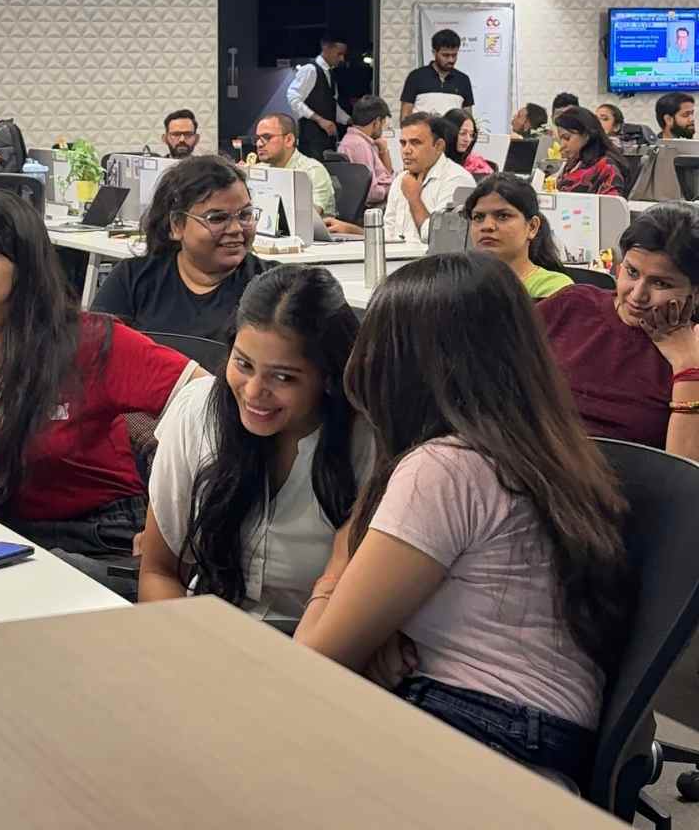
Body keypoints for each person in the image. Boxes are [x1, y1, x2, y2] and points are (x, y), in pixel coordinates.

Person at [294, 252, 630, 790]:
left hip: (480, 748)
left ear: (402, 365)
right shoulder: (547, 453)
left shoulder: (444, 469)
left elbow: (309, 663)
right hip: (530, 743)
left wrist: (338, 566)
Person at [0, 189, 201, 593]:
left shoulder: (91, 341)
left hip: (99, 537)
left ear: (24, 266)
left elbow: (206, 402)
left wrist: (167, 526)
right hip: (7, 534)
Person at [139, 265, 372, 629]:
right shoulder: (198, 411)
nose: (253, 392)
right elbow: (157, 571)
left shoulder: (368, 442)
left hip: (318, 644)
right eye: (243, 364)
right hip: (202, 630)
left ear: (328, 377)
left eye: (283, 377)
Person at [539, 202, 699, 460]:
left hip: (631, 491)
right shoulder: (573, 305)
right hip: (532, 466)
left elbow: (684, 479)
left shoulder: (694, 354)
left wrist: (688, 366)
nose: (638, 295)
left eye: (661, 283)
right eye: (632, 272)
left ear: (695, 292)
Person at [93, 157, 270, 341]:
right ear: (177, 225)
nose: (236, 229)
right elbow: (96, 353)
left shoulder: (274, 288)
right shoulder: (131, 280)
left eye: (245, 215)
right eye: (217, 218)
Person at [464, 173, 573, 299]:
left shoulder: (555, 290)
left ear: (532, 227)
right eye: (478, 217)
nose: (487, 226)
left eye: (503, 216)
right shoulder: (461, 285)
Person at [383, 113, 474, 243]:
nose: (406, 150)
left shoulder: (458, 180)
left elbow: (442, 239)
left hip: (436, 262)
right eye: (403, 143)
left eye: (415, 143)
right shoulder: (401, 179)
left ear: (438, 146)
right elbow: (388, 230)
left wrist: (414, 198)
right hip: (396, 259)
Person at [252, 113, 335, 216]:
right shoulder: (258, 170)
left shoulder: (312, 171)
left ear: (289, 140)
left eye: (267, 137)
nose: (259, 144)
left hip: (312, 231)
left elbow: (307, 219)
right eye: (257, 138)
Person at [286, 34, 350, 160]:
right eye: (339, 54)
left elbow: (332, 105)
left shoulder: (330, 74)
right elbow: (293, 97)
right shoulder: (310, 70)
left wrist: (349, 120)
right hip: (311, 140)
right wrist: (319, 120)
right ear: (326, 48)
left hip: (326, 140)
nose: (342, 59)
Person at [399, 29, 474, 119]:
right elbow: (405, 116)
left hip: (452, 133)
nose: (451, 60)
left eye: (454, 55)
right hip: (421, 132)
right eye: (445, 55)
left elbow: (468, 119)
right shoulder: (416, 77)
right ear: (434, 52)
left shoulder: (463, 80)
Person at [553, 106, 627, 197]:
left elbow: (611, 206)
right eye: (560, 139)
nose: (562, 145)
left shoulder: (607, 167)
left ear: (586, 135)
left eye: (567, 138)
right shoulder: (573, 163)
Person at [336, 95, 394, 206]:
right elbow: (371, 193)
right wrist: (392, 188)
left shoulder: (356, 141)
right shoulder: (360, 146)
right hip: (369, 210)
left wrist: (384, 151)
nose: (383, 128)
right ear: (376, 122)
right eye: (383, 123)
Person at [443, 108, 494, 176]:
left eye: (471, 135)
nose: (467, 139)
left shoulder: (476, 165)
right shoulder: (433, 160)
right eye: (462, 133)